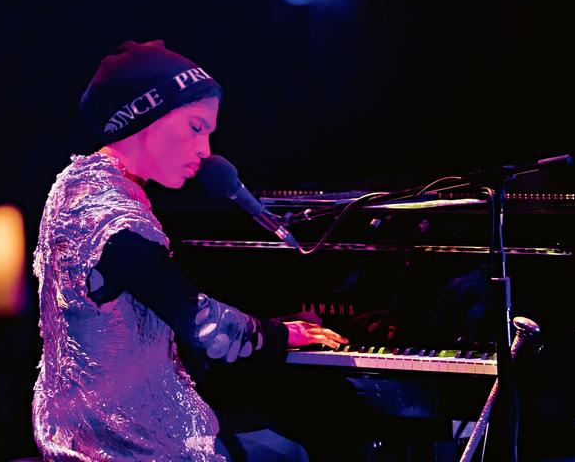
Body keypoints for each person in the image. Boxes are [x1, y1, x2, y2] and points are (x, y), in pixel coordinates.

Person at [32, 39, 348, 461]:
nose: (205, 152)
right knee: (288, 453)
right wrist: (282, 333)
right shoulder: (109, 213)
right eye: (195, 127)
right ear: (143, 117)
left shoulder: (81, 186)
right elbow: (204, 327)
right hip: (119, 441)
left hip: (83, 424)